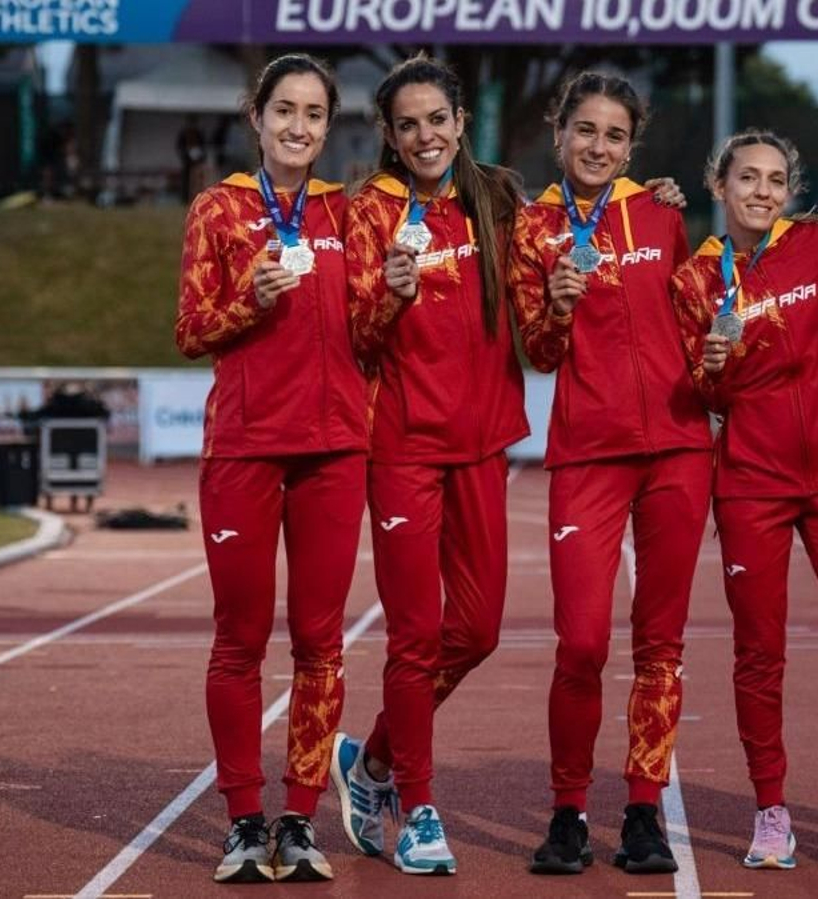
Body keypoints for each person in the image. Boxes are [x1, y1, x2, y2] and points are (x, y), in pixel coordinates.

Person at [670, 130, 818, 873]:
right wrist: (708, 372)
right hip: (751, 485)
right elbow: (706, 394)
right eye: (748, 178)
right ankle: (771, 808)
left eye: (775, 179)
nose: (763, 191)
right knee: (760, 653)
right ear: (718, 183)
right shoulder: (695, 279)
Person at [329, 56, 528, 877]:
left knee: (476, 630)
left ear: (460, 120)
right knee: (413, 637)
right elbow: (354, 334)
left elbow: (576, 220)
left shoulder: (497, 197)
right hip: (403, 447)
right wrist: (390, 295)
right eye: (407, 124)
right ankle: (416, 806)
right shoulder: (366, 211)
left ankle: (371, 759)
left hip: (481, 443)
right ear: (388, 133)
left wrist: (656, 197)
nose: (425, 137)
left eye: (436, 120)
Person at [509, 71, 712, 876]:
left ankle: (642, 807)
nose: (599, 146)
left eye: (615, 135)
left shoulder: (662, 212)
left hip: (676, 448)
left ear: (633, 145)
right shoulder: (534, 228)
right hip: (588, 453)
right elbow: (538, 350)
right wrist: (556, 305)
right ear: (560, 133)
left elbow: (701, 311)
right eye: (585, 130)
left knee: (660, 643)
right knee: (583, 642)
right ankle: (567, 812)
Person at [174, 53, 368, 885]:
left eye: (314, 114)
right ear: (256, 117)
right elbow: (190, 329)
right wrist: (247, 297)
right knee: (239, 640)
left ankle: (300, 818)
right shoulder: (217, 208)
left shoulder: (347, 211)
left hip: (332, 450)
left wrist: (392, 291)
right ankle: (243, 821)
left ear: (329, 126)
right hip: (245, 450)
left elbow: (373, 323)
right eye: (284, 110)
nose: (298, 126)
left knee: (321, 643)